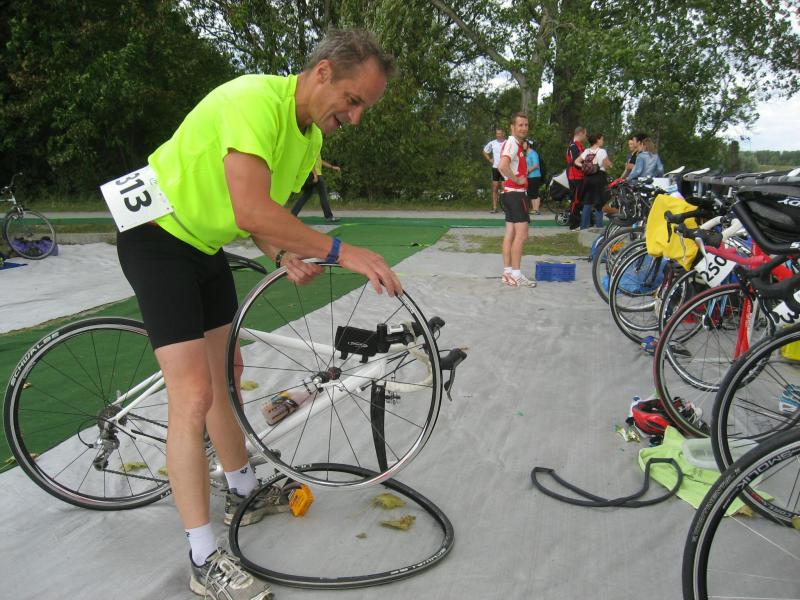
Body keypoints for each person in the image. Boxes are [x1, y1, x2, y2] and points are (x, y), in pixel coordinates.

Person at [115, 29, 401, 600]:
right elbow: (250, 208)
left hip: (202, 244)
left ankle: (242, 489)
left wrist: (279, 252)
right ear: (323, 72)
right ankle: (202, 559)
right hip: (155, 238)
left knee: (229, 372)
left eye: (364, 108)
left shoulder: (307, 138)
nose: (355, 118)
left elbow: (259, 215)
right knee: (193, 395)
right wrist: (342, 251)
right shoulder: (254, 101)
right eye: (353, 101)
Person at [498, 113, 536, 288]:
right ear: (512, 127)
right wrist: (517, 179)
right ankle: (516, 274)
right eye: (520, 125)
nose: (524, 128)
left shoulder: (514, 144)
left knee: (510, 234)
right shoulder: (513, 143)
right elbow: (502, 166)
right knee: (522, 235)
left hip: (508, 194)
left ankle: (508, 273)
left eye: (526, 125)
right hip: (515, 194)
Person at [575, 133, 613, 229]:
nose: (603, 141)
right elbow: (607, 165)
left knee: (587, 202)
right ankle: (599, 226)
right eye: (602, 139)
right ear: (597, 140)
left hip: (587, 179)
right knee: (599, 202)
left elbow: (576, 161)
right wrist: (610, 165)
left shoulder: (586, 151)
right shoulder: (602, 151)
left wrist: (585, 166)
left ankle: (583, 226)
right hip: (599, 178)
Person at [290, 153, 341, 221]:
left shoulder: (317, 150)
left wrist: (332, 167)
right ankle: (329, 216)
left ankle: (293, 214)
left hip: (314, 176)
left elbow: (320, 161)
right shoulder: (313, 148)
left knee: (305, 196)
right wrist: (315, 175)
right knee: (323, 196)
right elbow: (310, 162)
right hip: (316, 176)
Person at [565, 126, 587, 229]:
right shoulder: (573, 146)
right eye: (585, 134)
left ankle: (580, 220)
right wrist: (586, 165)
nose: (585, 136)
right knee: (576, 200)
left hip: (581, 176)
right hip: (574, 176)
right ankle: (573, 224)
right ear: (580, 133)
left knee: (579, 200)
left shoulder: (580, 146)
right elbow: (575, 161)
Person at [483, 128, 506, 213]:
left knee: (504, 188)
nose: (498, 135)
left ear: (503, 134)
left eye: (500, 133)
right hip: (495, 168)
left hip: (504, 168)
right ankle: (495, 208)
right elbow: (485, 151)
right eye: (497, 133)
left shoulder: (507, 143)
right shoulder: (492, 143)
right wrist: (489, 159)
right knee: (495, 187)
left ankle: (505, 208)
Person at [523, 139, 542, 215]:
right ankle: (534, 209)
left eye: (524, 144)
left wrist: (528, 171)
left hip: (535, 176)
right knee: (531, 192)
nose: (523, 145)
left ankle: (537, 209)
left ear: (528, 145)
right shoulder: (526, 154)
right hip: (529, 176)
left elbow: (536, 165)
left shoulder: (533, 153)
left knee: (535, 192)